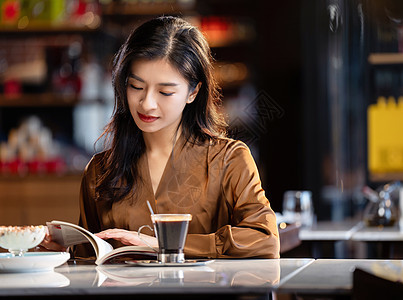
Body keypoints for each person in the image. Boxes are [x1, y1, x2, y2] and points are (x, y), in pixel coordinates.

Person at [42, 16, 280, 259]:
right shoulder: (101, 170)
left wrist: (163, 245)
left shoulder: (229, 160)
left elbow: (265, 240)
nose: (147, 103)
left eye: (165, 92)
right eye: (136, 87)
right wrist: (62, 252)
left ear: (193, 92)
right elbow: (89, 257)